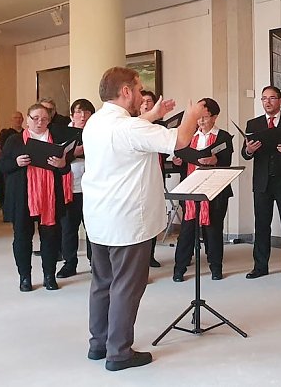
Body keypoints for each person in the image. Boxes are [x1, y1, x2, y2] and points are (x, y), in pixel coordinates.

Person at [83, 66, 204, 371]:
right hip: (127, 221)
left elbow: (130, 131)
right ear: (126, 91)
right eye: (138, 89)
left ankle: (98, 344)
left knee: (102, 283)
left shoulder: (96, 122)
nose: (140, 95)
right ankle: (119, 353)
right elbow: (179, 141)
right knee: (127, 286)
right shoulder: (130, 129)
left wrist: (153, 115)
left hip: (99, 218)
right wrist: (192, 114)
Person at [0, 103, 73, 292]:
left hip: (50, 196)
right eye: (36, 118)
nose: (40, 122)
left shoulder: (56, 139)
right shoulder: (15, 140)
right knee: (22, 237)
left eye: (44, 119)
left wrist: (62, 163)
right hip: (23, 196)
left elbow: (65, 169)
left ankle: (49, 276)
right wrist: (16, 162)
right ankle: (25, 277)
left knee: (51, 237)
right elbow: (2, 165)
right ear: (27, 119)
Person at [242, 86, 281, 279]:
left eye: (271, 98)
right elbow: (244, 154)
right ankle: (260, 266)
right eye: (264, 99)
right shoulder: (253, 124)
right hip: (262, 182)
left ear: (280, 100)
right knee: (261, 225)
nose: (267, 102)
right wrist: (250, 150)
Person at [172, 98, 234, 281]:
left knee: (213, 230)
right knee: (187, 230)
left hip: (216, 190)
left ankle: (216, 268)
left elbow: (227, 161)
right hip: (191, 189)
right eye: (199, 118)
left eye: (205, 118)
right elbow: (182, 161)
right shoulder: (189, 137)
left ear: (214, 117)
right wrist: (178, 163)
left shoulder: (223, 136)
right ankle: (179, 269)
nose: (201, 121)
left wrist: (216, 161)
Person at [57, 98, 95, 279]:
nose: (83, 116)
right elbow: (57, 157)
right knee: (69, 228)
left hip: (92, 188)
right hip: (70, 187)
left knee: (92, 227)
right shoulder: (63, 132)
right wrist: (75, 153)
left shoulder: (97, 131)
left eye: (87, 112)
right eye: (79, 112)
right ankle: (69, 263)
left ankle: (94, 262)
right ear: (72, 114)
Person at [140, 90, 164, 268]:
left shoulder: (160, 127)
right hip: (139, 177)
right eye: (143, 101)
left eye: (149, 101)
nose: (146, 104)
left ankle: (151, 254)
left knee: (153, 213)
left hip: (156, 173)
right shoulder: (132, 124)